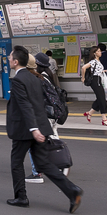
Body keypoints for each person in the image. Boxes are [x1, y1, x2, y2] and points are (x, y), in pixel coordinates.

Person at [6, 47, 83, 212]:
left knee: (16, 163)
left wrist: (33, 129)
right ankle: (72, 191)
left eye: (10, 56)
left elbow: (25, 105)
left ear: (16, 61)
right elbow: (38, 104)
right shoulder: (35, 78)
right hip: (40, 126)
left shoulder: (18, 80)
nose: (8, 57)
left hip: (25, 129)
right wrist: (39, 127)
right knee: (44, 164)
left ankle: (21, 197)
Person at [26, 53, 64, 184]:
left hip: (46, 114)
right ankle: (61, 163)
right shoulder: (48, 75)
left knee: (37, 142)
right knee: (52, 139)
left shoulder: (39, 78)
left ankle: (37, 173)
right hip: (52, 113)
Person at [81, 46, 107, 126]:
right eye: (99, 51)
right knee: (102, 98)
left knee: (101, 97)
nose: (100, 52)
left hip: (98, 79)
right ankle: (104, 119)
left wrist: (105, 71)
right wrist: (83, 78)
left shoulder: (98, 61)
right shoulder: (93, 61)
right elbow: (83, 67)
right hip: (95, 81)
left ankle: (89, 113)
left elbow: (98, 71)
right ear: (95, 53)